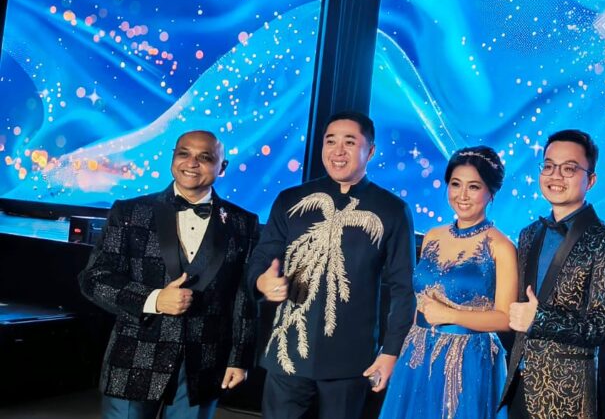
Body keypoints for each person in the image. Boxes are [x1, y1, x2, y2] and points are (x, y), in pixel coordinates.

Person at [78, 130, 257, 419]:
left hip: (204, 363)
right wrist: (154, 300)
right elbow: (94, 278)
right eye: (184, 153)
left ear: (222, 166)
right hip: (135, 357)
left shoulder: (243, 223)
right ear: (173, 158)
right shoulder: (129, 211)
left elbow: (244, 297)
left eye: (205, 157)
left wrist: (240, 358)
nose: (192, 163)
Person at [250, 111, 415, 419]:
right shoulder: (290, 199)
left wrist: (391, 351)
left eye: (349, 142)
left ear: (370, 151)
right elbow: (262, 258)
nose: (338, 151)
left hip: (351, 361)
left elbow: (404, 289)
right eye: (330, 141)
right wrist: (262, 281)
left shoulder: (392, 210)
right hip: (287, 354)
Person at [379, 145, 517, 419]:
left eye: (474, 187)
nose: (462, 195)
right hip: (417, 351)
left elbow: (505, 319)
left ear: (491, 192)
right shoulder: (432, 236)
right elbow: (419, 301)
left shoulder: (501, 247)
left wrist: (449, 315)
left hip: (467, 359)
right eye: (455, 184)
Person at [500, 130, 605, 419]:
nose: (555, 175)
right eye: (548, 166)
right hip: (518, 386)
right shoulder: (528, 234)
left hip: (567, 395)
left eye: (569, 169)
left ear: (590, 180)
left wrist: (540, 319)